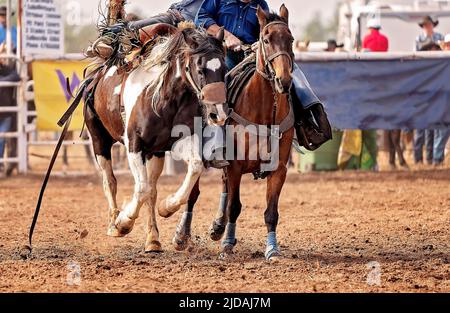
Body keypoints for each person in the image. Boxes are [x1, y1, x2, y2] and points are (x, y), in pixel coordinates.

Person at [196, 0, 331, 162]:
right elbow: (201, 17)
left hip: (251, 55)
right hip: (223, 55)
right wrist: (226, 35)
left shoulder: (261, 5)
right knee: (217, 88)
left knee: (291, 71)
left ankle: (308, 123)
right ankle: (216, 145)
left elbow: (266, 32)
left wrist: (258, 43)